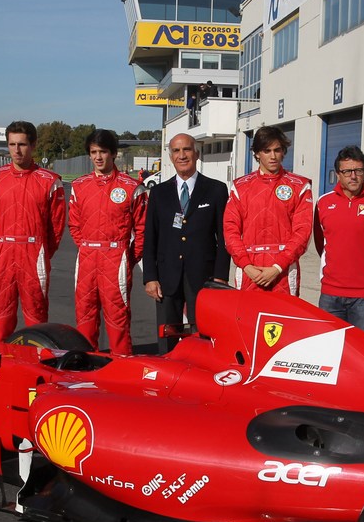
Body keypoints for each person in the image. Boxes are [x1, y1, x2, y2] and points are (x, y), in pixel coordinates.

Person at [143, 133, 230, 352]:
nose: (182, 155)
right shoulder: (158, 193)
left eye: (187, 150)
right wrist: (150, 277)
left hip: (203, 276)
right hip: (166, 276)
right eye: (176, 151)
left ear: (197, 154)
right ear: (170, 156)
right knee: (167, 332)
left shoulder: (216, 190)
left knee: (203, 332)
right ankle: (167, 373)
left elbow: (225, 237)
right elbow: (150, 237)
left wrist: (220, 276)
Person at [0, 121, 66, 340]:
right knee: (2, 318)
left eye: (22, 144)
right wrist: (5, 243)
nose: (17, 150)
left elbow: (56, 227)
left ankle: (39, 365)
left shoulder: (50, 181)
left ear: (33, 145)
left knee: (37, 318)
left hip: (34, 253)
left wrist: (40, 252)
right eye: (12, 144)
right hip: (3, 252)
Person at [69, 129, 147, 355]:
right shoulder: (79, 186)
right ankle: (86, 366)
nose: (98, 157)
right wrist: (86, 247)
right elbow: (74, 225)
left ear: (114, 154)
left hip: (116, 258)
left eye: (103, 151)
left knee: (118, 318)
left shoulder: (132, 187)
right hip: (86, 258)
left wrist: (128, 259)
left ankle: (121, 367)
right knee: (84, 316)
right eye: (93, 152)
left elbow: (142, 230)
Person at [313, 145, 364, 335]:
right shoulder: (323, 203)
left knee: (363, 352)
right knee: (328, 349)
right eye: (347, 171)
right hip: (330, 293)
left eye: (358, 170)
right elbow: (321, 243)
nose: (353, 176)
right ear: (338, 174)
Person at [224, 126, 313, 294]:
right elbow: (230, 230)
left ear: (283, 152)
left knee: (283, 319)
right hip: (250, 270)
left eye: (277, 150)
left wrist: (277, 267)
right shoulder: (240, 186)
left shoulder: (300, 185)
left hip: (283, 272)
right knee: (247, 319)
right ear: (257, 153)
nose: (273, 156)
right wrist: (246, 266)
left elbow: (303, 232)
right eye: (267, 151)